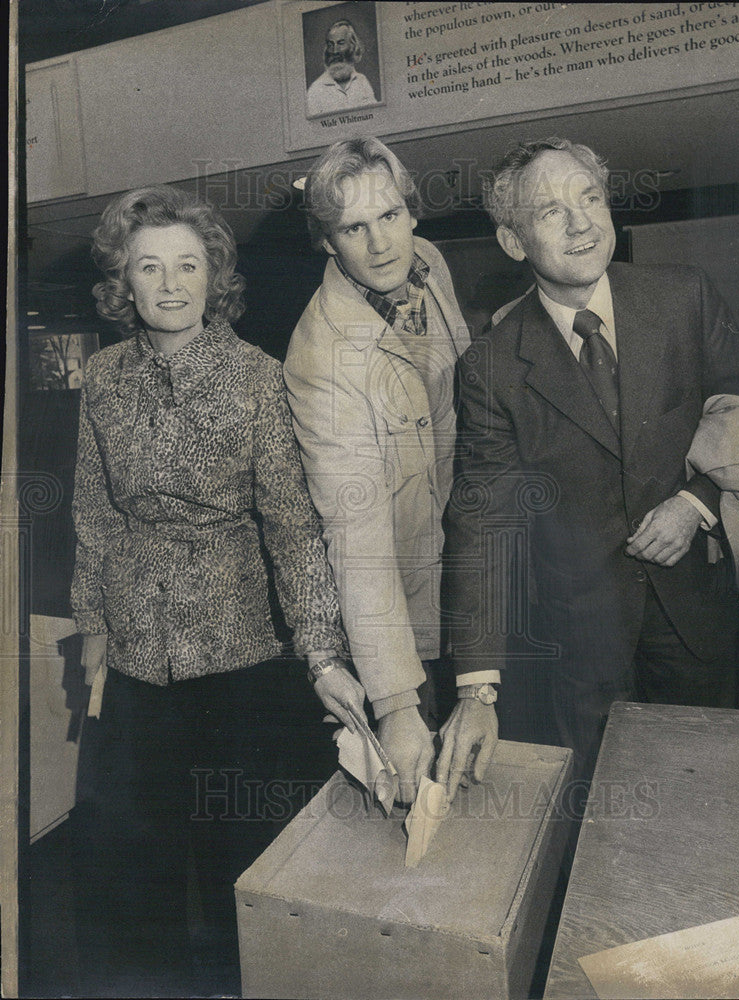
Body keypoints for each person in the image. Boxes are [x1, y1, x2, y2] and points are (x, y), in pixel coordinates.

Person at [71, 185, 360, 996]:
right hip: (134, 663)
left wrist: (321, 652)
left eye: (188, 265)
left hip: (241, 660)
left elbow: (292, 531)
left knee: (248, 857)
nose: (169, 284)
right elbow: (94, 513)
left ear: (213, 278)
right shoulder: (101, 380)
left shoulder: (257, 379)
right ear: (122, 284)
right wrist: (93, 629)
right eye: (149, 267)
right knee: (138, 865)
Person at [436, 137, 739, 803]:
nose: (582, 222)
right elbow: (482, 526)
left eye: (589, 197)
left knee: (707, 803)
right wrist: (477, 689)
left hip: (697, 619)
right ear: (513, 242)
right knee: (600, 820)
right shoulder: (490, 368)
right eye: (551, 211)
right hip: (578, 645)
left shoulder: (686, 298)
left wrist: (696, 501)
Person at [284, 138, 470, 804]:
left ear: (412, 214)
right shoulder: (316, 354)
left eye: (389, 215)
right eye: (353, 228)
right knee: (413, 799)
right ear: (328, 242)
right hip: (397, 608)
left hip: (468, 571)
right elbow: (355, 533)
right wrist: (395, 701)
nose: (381, 242)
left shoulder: (432, 264)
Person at [306, 18, 377, 117]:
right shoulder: (316, 90)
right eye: (331, 45)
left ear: (352, 46)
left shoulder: (362, 81)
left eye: (341, 43)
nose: (335, 51)